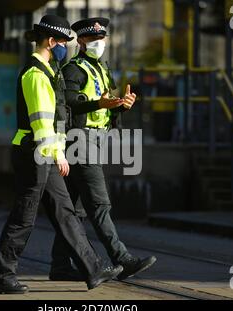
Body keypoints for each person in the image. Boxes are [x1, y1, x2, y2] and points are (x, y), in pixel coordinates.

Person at [0, 15, 124, 294]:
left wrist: (56, 151)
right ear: (52, 42)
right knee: (24, 216)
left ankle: (93, 268)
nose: (65, 47)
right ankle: (2, 276)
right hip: (35, 152)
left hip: (45, 152)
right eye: (63, 42)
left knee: (66, 212)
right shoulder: (36, 75)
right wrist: (57, 154)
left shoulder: (48, 71)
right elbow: (41, 122)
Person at [49, 17, 156, 281]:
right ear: (82, 41)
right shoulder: (74, 68)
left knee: (75, 209)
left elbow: (104, 104)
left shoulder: (101, 68)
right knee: (99, 204)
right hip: (79, 140)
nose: (100, 43)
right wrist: (100, 104)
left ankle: (60, 266)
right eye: (94, 39)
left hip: (93, 140)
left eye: (102, 38)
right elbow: (70, 102)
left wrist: (121, 105)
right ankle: (122, 258)